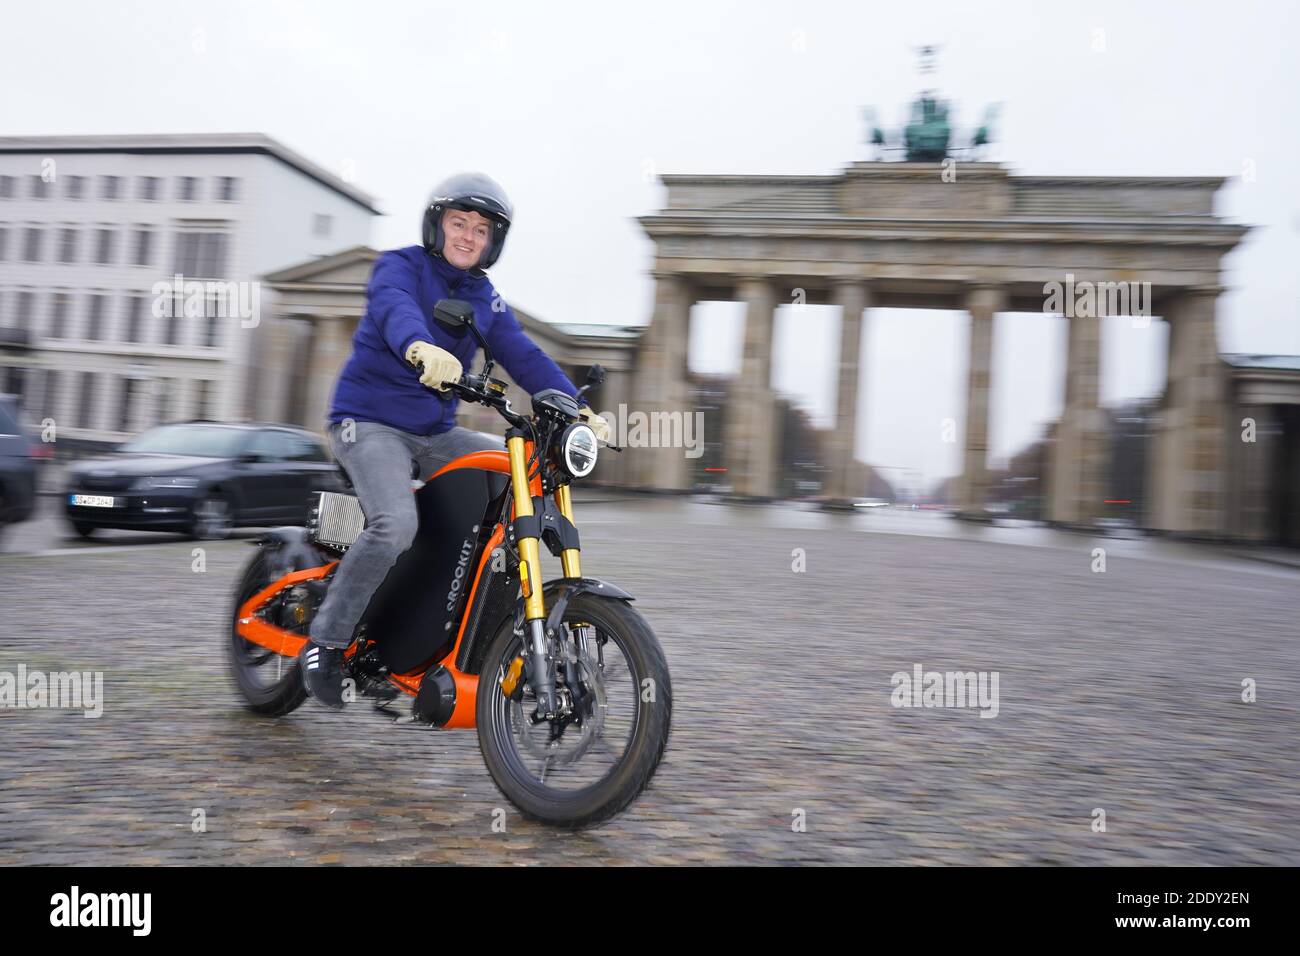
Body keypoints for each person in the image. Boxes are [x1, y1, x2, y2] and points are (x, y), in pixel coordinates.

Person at [301, 171, 610, 709]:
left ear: (493, 243)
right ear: (437, 225)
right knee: (395, 523)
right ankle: (325, 642)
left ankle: (447, 625)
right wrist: (419, 346)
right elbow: (394, 307)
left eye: (482, 230)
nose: (469, 236)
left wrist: (575, 406)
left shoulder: (483, 297)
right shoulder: (399, 266)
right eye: (458, 222)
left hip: (435, 433)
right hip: (367, 422)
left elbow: (522, 353)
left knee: (515, 470)